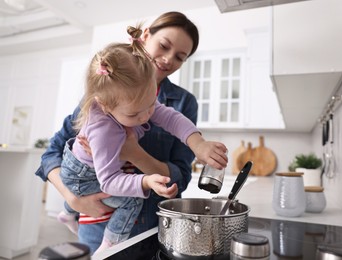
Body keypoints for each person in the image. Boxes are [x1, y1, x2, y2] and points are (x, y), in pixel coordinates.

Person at [35, 12, 225, 253]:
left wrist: (194, 144)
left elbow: (180, 177)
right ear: (145, 36)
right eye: (164, 46)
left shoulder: (178, 101)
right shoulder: (101, 98)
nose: (168, 59)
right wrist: (72, 200)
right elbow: (52, 153)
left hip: (153, 229)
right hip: (98, 225)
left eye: (180, 57)